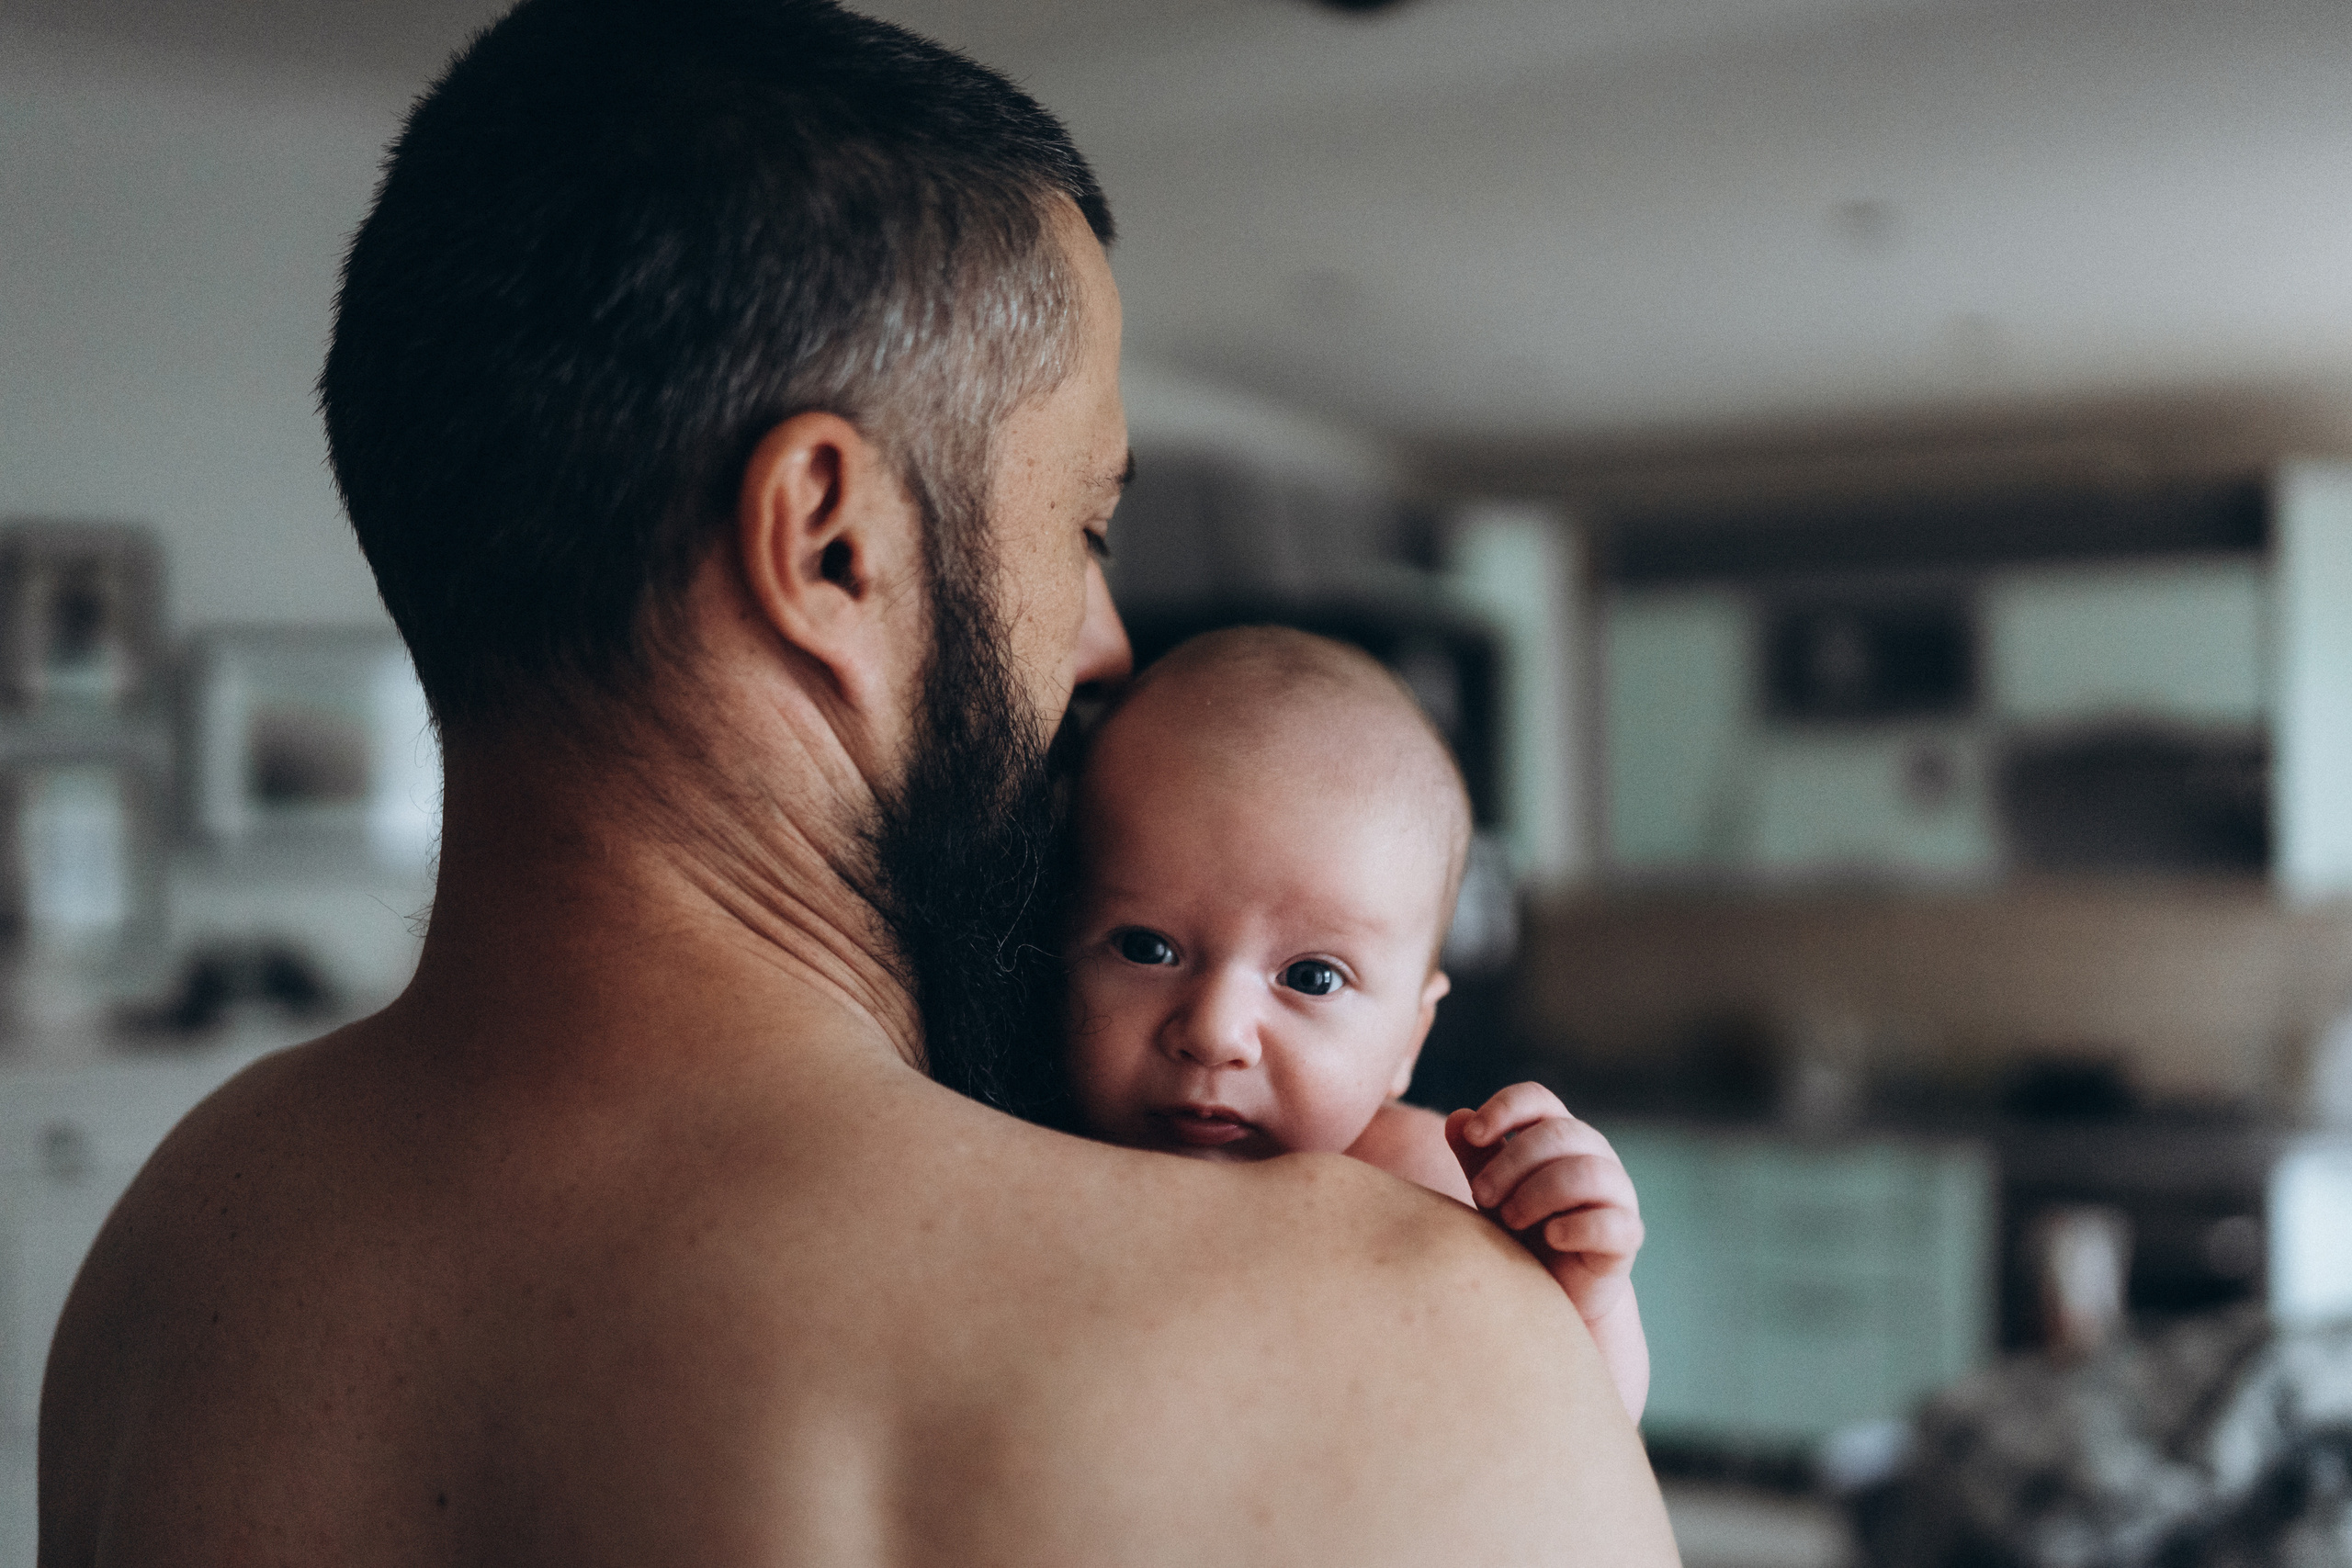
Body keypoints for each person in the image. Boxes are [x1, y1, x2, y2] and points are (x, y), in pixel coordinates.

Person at [38, 2, 1682, 1562]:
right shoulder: (1391, 1328)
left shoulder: (176, 1256)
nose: (1104, 643)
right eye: (1083, 526)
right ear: (833, 543)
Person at [1063, 626, 1650, 1419]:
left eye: (1311, 976)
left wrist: (1584, 1297)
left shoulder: (1421, 1185)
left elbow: (1582, 1439)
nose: (1215, 1031)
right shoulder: (1027, 1146)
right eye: (1147, 947)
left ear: (1408, 1039)